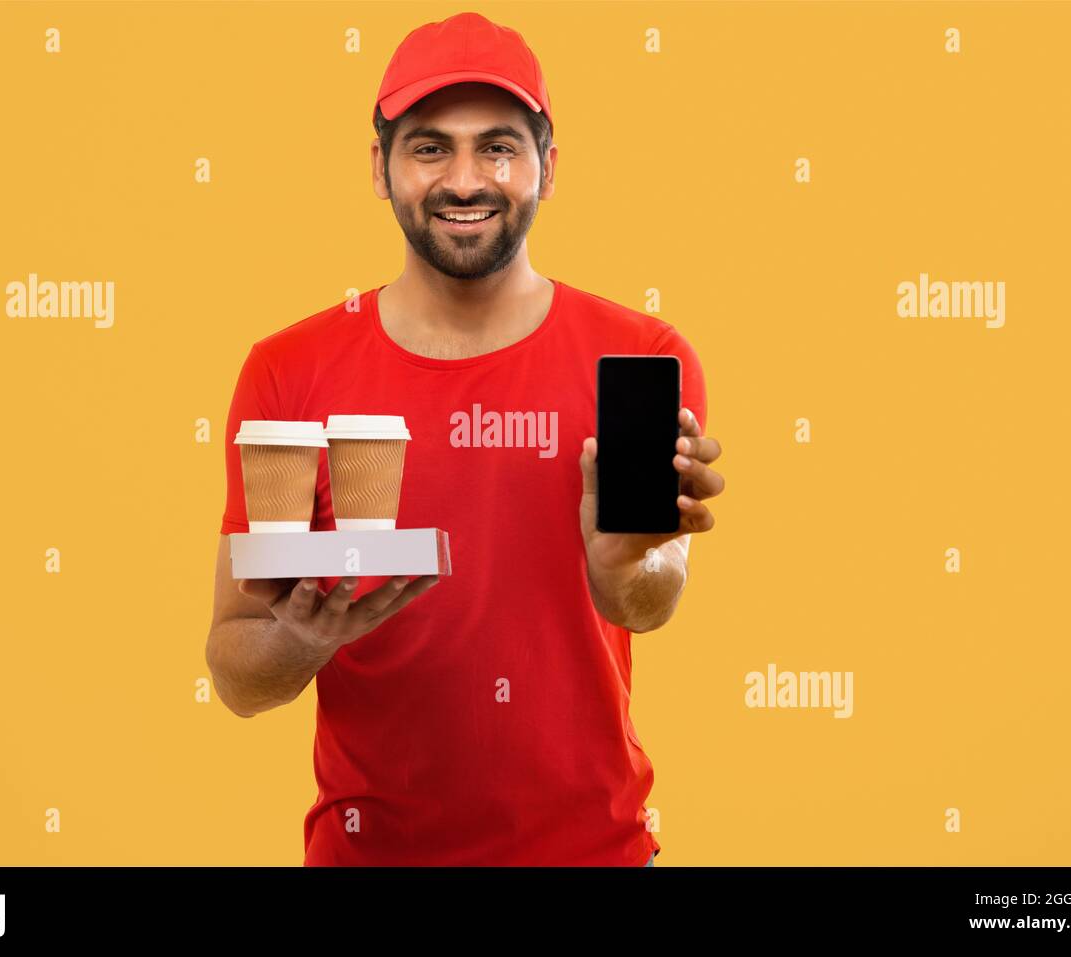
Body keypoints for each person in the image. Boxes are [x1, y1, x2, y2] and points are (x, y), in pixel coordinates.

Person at [205, 11, 725, 867]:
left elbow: (654, 598)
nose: (464, 178)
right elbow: (232, 668)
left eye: (497, 146)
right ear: (380, 167)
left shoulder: (639, 359)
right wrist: (301, 639)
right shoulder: (285, 370)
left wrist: (622, 565)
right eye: (428, 147)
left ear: (547, 168)